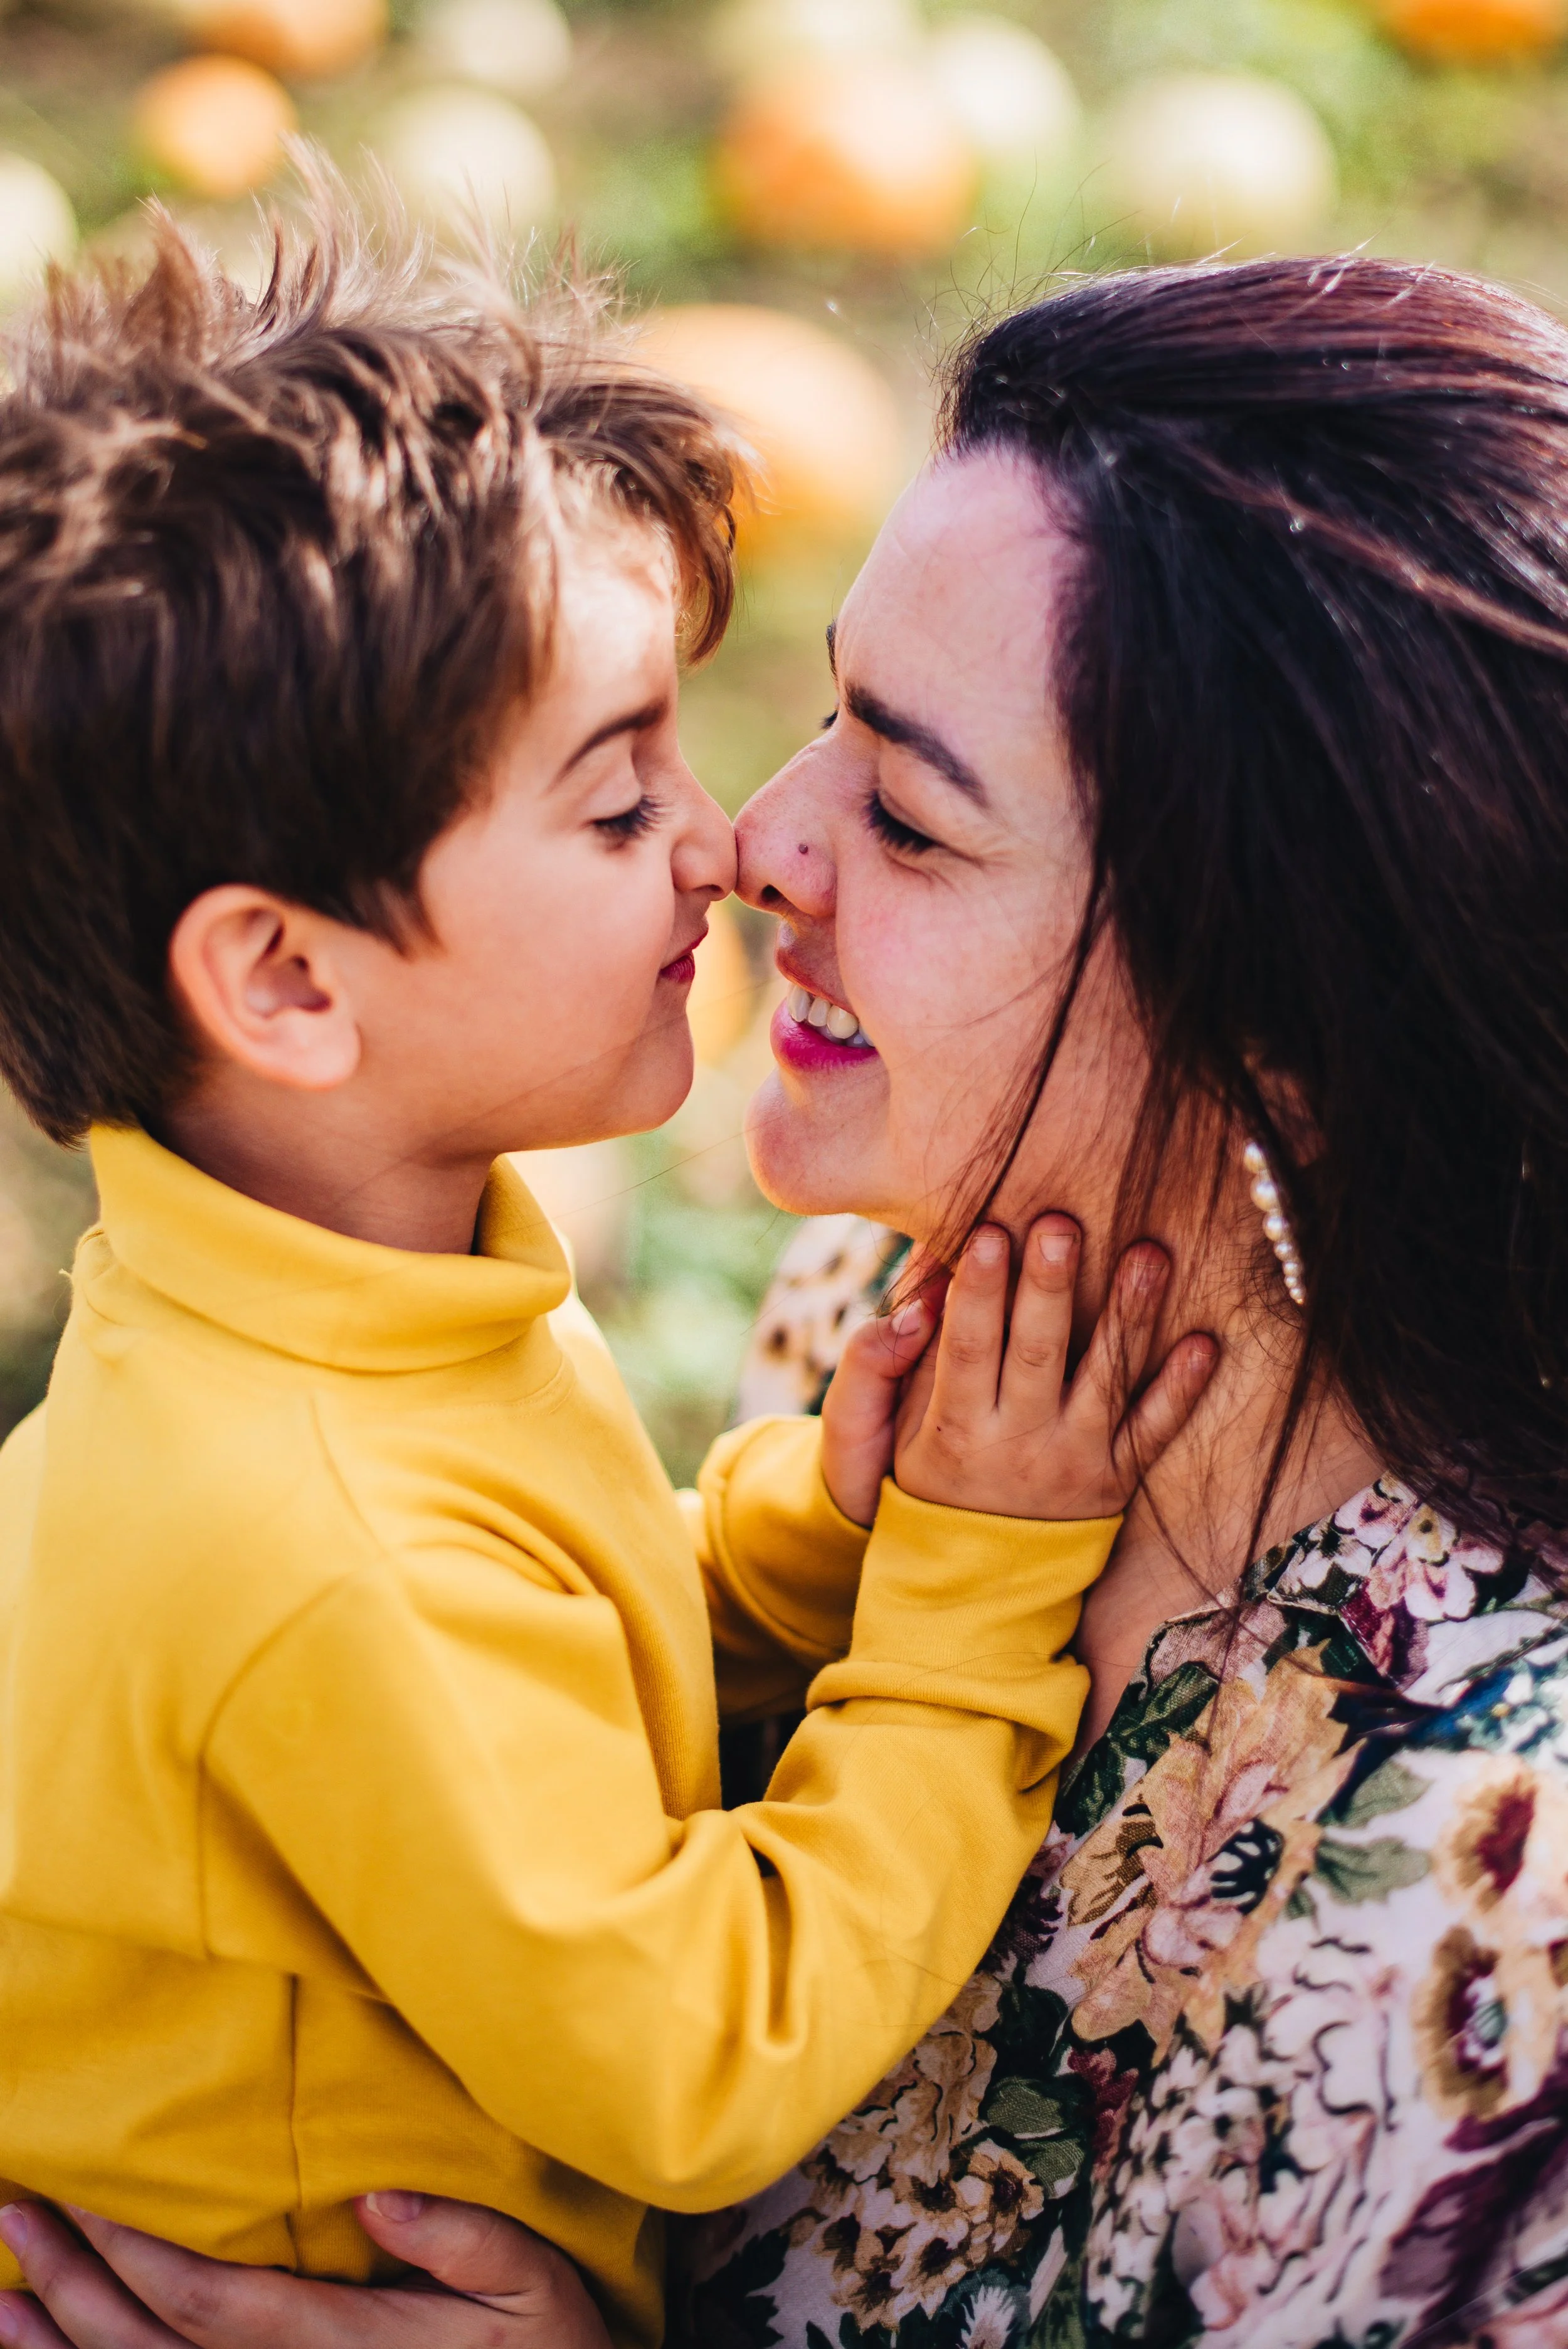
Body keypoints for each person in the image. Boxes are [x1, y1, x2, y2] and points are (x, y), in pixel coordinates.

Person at [11, 247, 1568, 2348]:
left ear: (1297, 1008)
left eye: (911, 818)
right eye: (803, 721)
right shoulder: (888, 1266)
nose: (742, 842)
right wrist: (917, 1574)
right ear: (287, 985)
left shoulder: (1494, 1892)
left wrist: (846, 1552)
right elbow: (631, 1931)